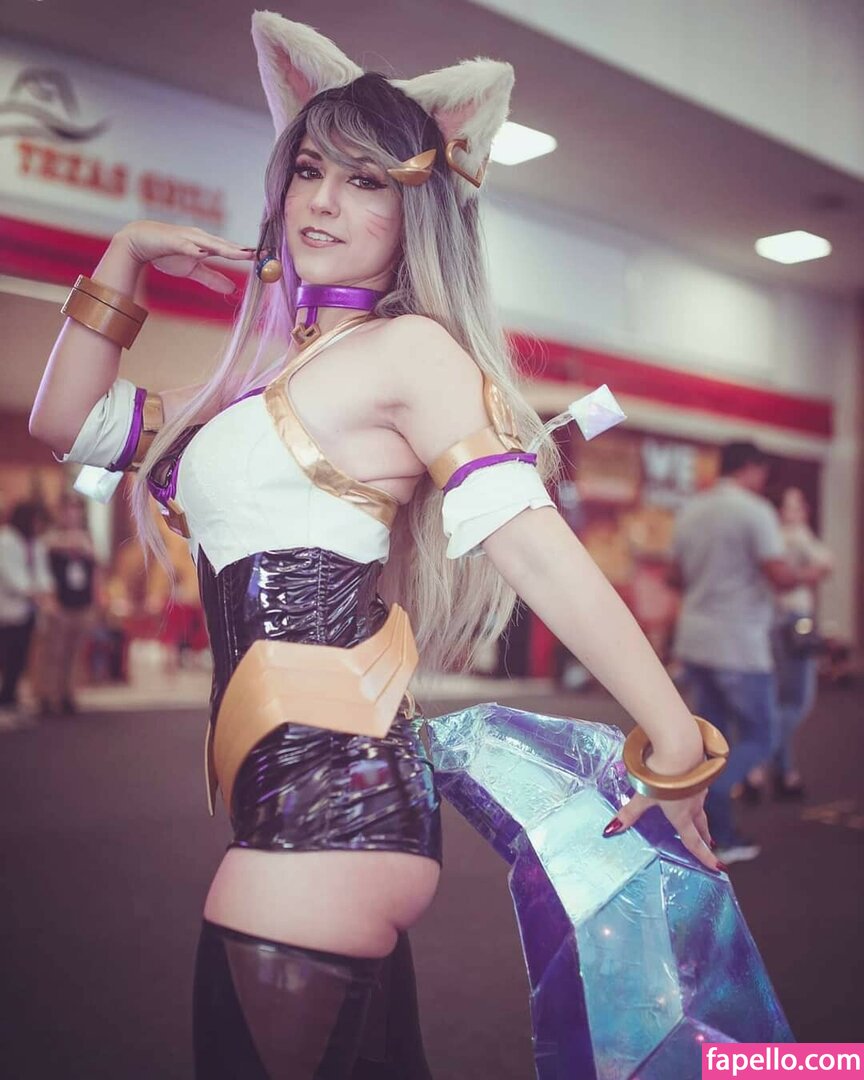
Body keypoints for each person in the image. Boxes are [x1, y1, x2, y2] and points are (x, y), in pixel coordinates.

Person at [30, 14, 730, 1077]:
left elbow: (534, 546)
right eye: (310, 170)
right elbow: (70, 422)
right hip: (293, 806)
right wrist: (125, 254)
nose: (322, 200)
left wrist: (677, 744)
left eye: (365, 181)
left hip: (331, 806)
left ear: (419, 211)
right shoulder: (256, 388)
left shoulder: (412, 352)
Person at [668, 442, 827, 866]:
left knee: (715, 741)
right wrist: (812, 572)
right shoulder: (754, 511)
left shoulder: (691, 510)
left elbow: (674, 576)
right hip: (738, 643)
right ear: (752, 469)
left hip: (696, 640)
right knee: (762, 736)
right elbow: (780, 576)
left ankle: (719, 836)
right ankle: (708, 795)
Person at [743, 486, 834, 801]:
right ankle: (756, 763)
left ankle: (785, 773)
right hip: (794, 623)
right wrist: (810, 571)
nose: (802, 510)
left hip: (772, 624)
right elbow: (827, 561)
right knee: (798, 701)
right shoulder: (794, 536)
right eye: (795, 505)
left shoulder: (767, 539)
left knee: (779, 701)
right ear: (780, 511)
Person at [34, 492, 98, 715]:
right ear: (60, 513)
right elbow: (43, 555)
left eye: (76, 510)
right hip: (59, 602)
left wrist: (95, 601)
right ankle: (46, 695)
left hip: (82, 602)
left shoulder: (87, 538)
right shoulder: (50, 537)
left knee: (74, 652)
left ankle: (67, 694)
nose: (72, 515)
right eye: (68, 510)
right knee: (53, 652)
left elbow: (95, 570)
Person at [0, 501, 54, 713]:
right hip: (9, 609)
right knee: (8, 655)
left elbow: (42, 573)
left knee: (19, 657)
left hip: (29, 611)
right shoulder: (6, 541)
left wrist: (46, 591)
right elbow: (11, 576)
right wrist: (34, 593)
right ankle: (6, 696)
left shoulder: (35, 543)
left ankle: (10, 696)